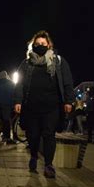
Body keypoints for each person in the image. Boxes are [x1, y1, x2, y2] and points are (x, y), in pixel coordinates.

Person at [14, 30, 74, 178]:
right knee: (33, 135)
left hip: (51, 107)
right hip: (31, 107)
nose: (40, 46)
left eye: (43, 43)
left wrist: (68, 100)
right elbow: (19, 83)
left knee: (49, 135)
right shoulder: (27, 63)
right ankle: (34, 156)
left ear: (49, 45)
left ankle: (48, 165)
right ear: (32, 46)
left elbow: (67, 82)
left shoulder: (58, 61)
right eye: (37, 44)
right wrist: (17, 100)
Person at [0, 70, 17, 144]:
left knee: (2, 120)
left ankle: (3, 135)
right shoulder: (11, 83)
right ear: (6, 76)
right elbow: (14, 94)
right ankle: (8, 138)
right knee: (7, 121)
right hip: (7, 105)